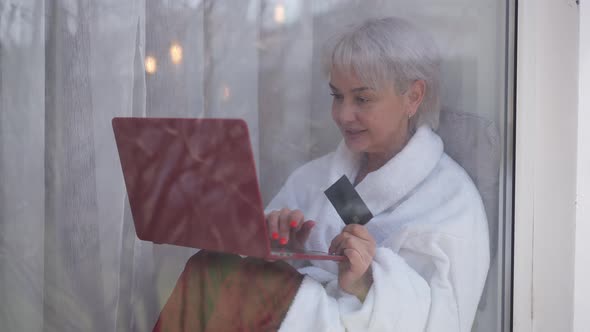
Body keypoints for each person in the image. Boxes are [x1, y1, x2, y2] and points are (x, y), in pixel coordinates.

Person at [153, 17, 489, 332]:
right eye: (337, 96)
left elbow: (443, 319)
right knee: (210, 266)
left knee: (221, 278)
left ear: (413, 96)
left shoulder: (451, 202)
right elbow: (268, 262)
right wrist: (281, 250)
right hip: (298, 316)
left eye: (362, 98)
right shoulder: (320, 176)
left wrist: (365, 282)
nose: (343, 114)